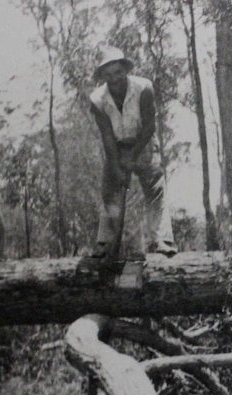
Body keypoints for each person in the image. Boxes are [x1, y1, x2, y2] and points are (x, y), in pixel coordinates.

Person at [89, 45, 177, 258]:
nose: (114, 78)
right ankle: (105, 244)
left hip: (143, 141)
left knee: (155, 186)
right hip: (117, 145)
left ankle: (162, 239)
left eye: (118, 72)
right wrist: (117, 165)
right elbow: (107, 137)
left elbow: (149, 126)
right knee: (110, 191)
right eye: (108, 74)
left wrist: (134, 155)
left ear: (125, 70)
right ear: (102, 76)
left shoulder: (143, 88)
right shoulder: (97, 99)